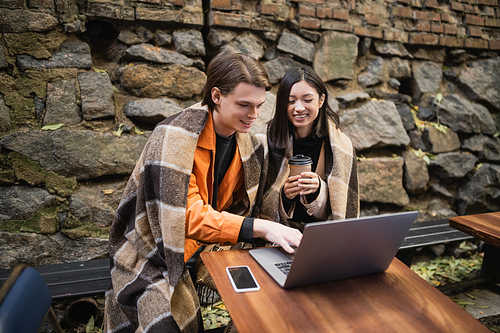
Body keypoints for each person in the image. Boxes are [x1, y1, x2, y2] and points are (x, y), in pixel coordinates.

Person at [104, 52, 302, 333]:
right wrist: (261, 228)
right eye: (244, 105)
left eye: (259, 105)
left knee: (271, 306)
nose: (254, 115)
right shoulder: (173, 138)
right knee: (162, 323)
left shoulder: (247, 144)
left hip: (210, 246)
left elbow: (258, 197)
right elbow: (185, 217)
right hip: (155, 252)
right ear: (217, 96)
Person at [260, 66, 359, 230]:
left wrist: (318, 190)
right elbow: (256, 205)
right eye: (291, 101)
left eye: (307, 100)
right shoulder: (267, 141)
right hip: (278, 236)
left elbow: (343, 209)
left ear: (321, 100)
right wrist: (284, 196)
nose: (298, 108)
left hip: (321, 238)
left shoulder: (341, 146)